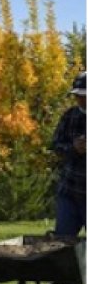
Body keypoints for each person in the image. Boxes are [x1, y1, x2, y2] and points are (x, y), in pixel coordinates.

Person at [50, 72, 86, 237]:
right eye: (77, 95)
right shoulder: (69, 116)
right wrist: (73, 148)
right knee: (62, 244)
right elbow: (56, 145)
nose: (80, 99)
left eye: (84, 95)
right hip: (69, 192)